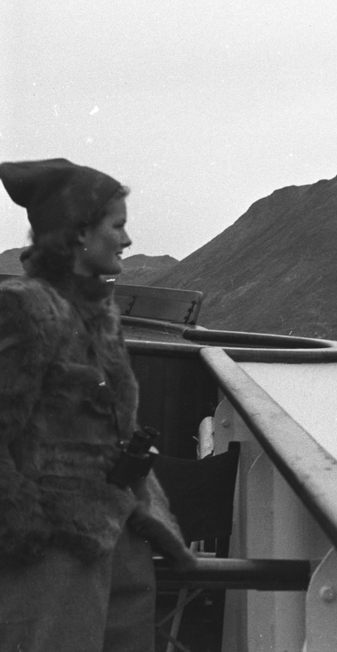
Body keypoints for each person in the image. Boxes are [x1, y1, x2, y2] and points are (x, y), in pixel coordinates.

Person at [0, 159, 194, 652]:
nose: (127, 240)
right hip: (52, 556)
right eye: (118, 225)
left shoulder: (100, 315)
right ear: (80, 232)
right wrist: (26, 531)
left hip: (119, 541)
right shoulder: (25, 308)